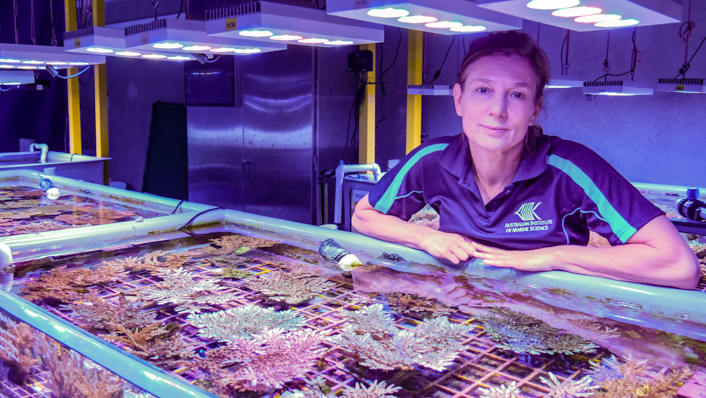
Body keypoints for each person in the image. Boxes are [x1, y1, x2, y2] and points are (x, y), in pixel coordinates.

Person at [352, 31, 700, 289]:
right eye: (483, 90)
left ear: (535, 109)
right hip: (459, 308)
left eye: (516, 95)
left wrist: (553, 257)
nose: (498, 111)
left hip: (554, 318)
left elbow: (679, 267)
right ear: (459, 99)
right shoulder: (431, 159)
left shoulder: (570, 167)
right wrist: (426, 238)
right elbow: (365, 217)